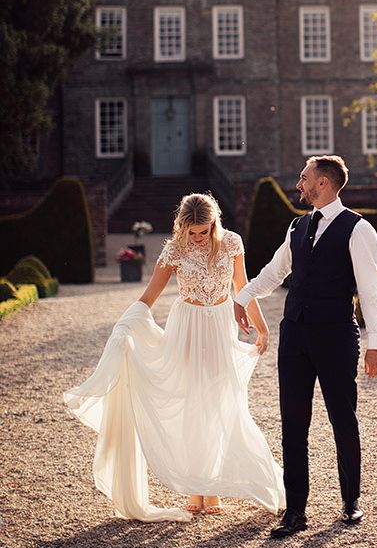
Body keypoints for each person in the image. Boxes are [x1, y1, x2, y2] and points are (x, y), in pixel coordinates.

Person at [64, 193, 285, 521]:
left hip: (220, 327)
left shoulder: (231, 244)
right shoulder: (173, 250)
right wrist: (126, 326)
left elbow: (244, 288)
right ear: (182, 226)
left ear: (214, 223)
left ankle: (214, 485)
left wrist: (262, 325)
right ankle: (198, 486)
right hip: (187, 329)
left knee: (222, 402)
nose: (198, 237)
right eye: (192, 232)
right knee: (193, 403)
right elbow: (148, 296)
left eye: (204, 230)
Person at [234, 155, 377, 538]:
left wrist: (375, 343)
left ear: (323, 183)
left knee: (342, 420)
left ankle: (351, 501)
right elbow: (275, 271)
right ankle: (295, 512)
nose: (298, 185)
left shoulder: (358, 229)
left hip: (336, 336)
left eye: (304, 178)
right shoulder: (297, 226)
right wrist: (243, 296)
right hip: (296, 337)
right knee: (293, 424)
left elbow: (370, 292)